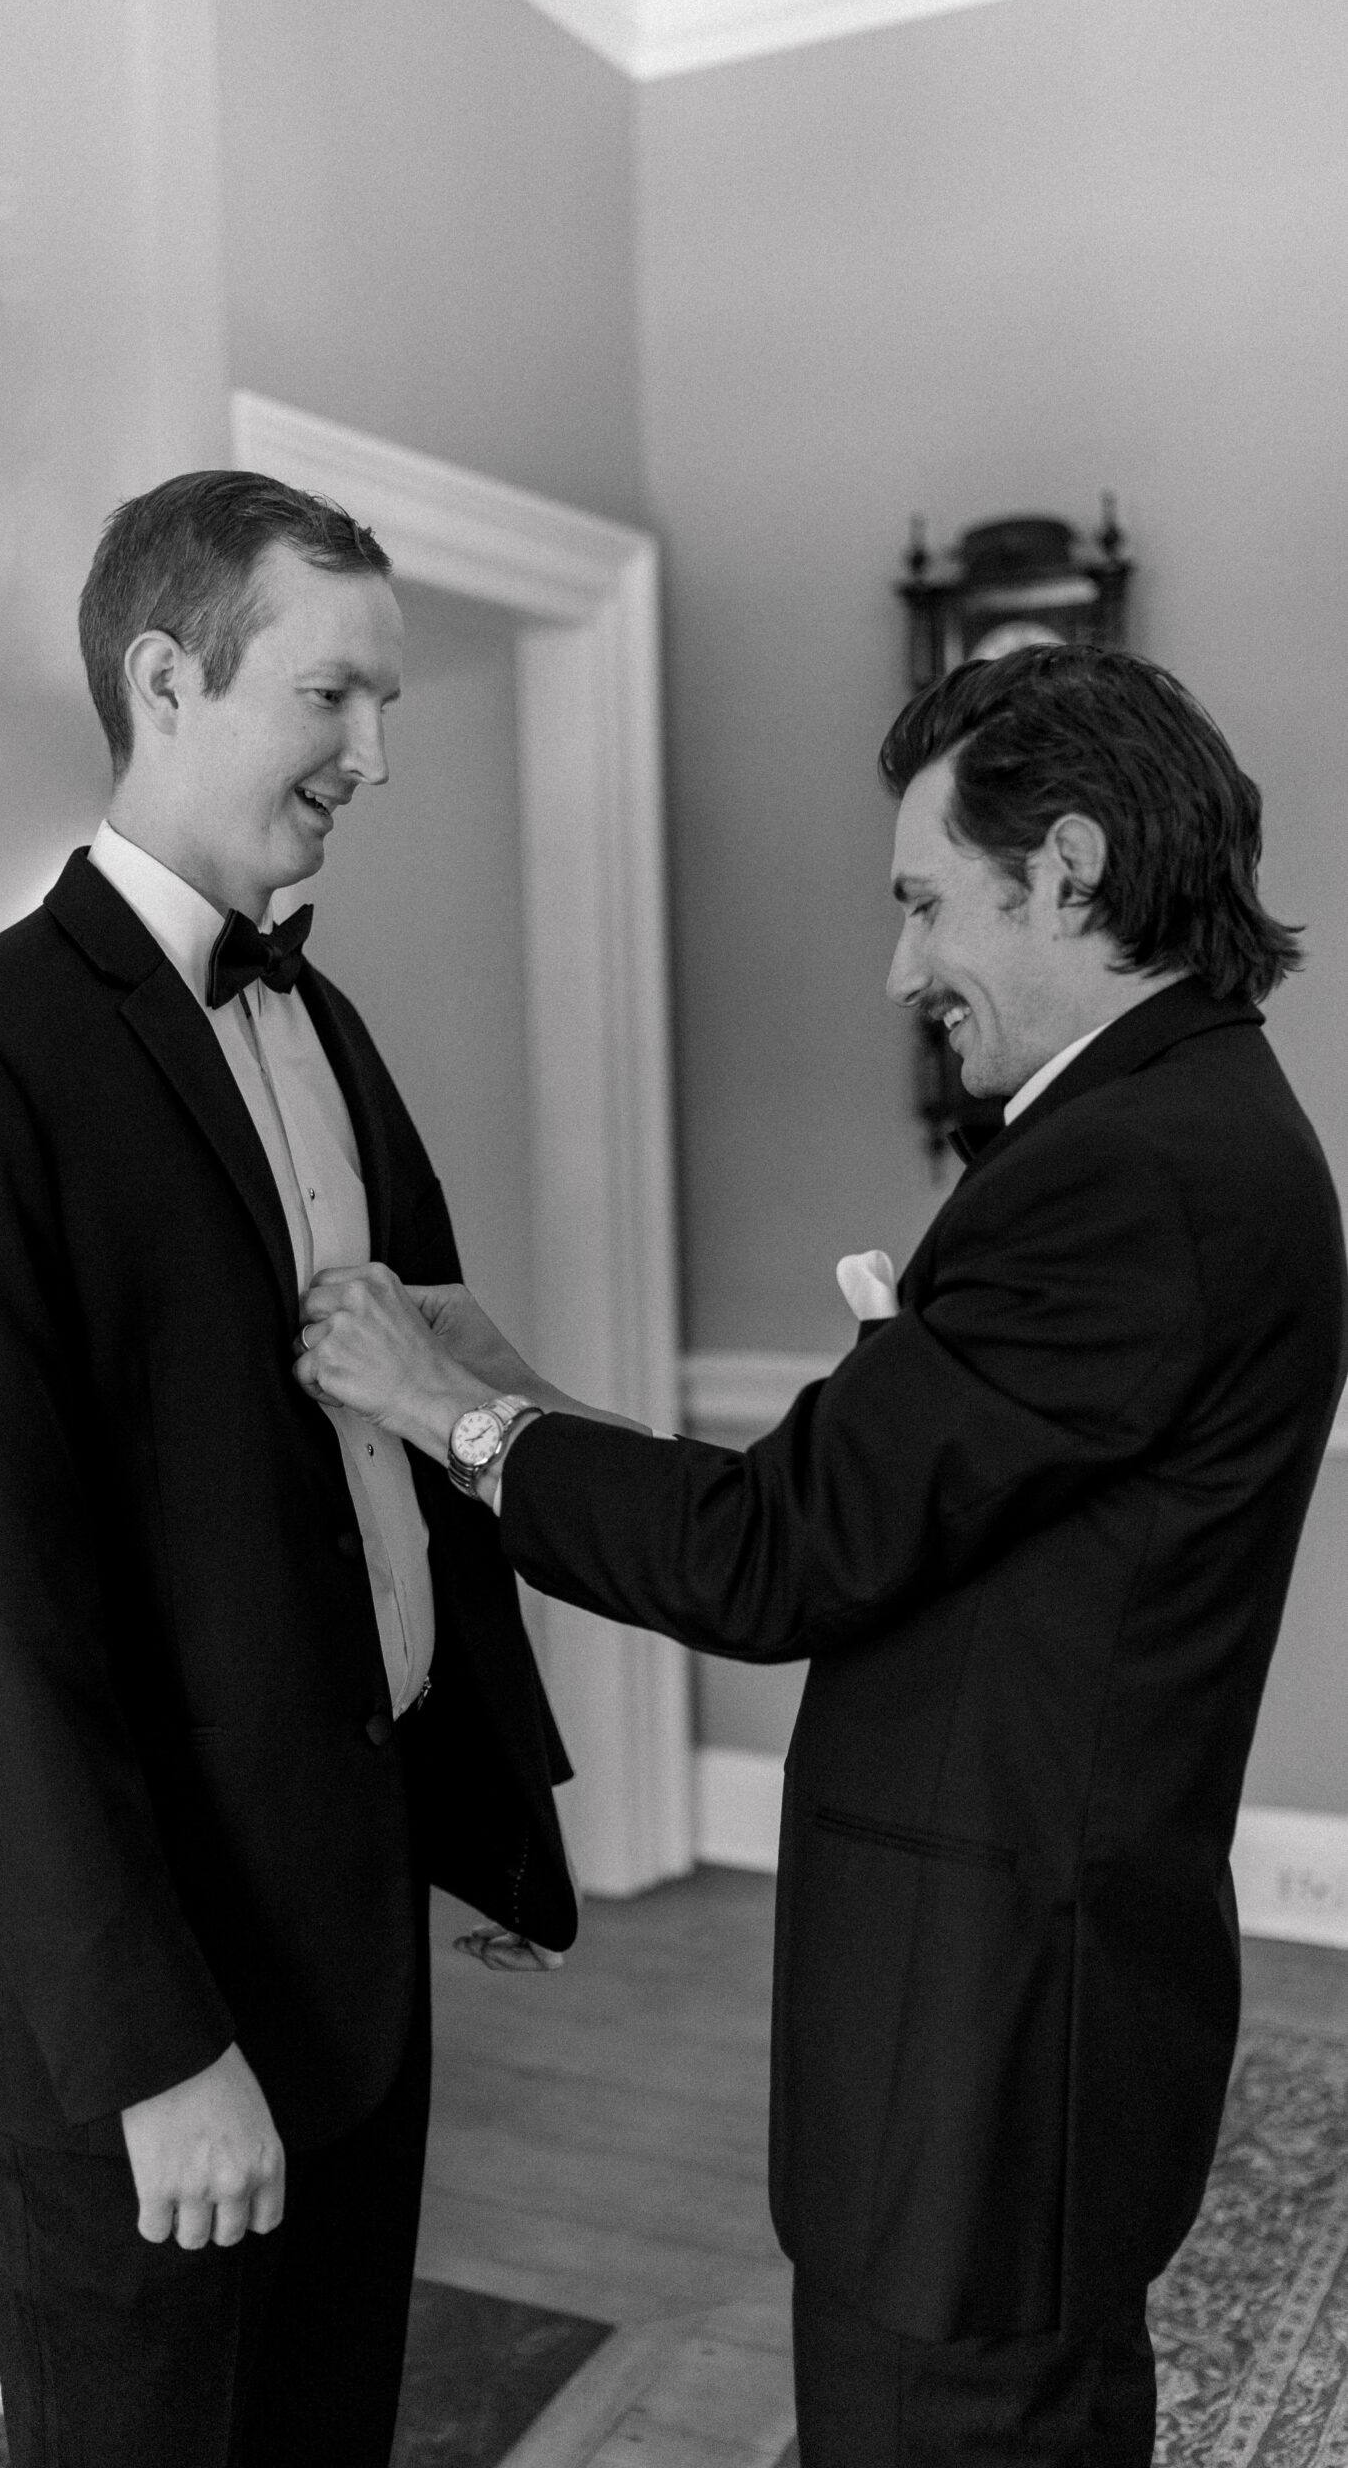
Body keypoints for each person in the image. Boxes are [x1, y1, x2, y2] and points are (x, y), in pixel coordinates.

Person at [295, 643, 1348, 2468]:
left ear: (1071, 870)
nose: (903, 965)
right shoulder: (1179, 1131)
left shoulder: (1128, 1177)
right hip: (1032, 2021)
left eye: (927, 901)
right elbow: (850, 1519)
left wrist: (442, 1418)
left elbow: (770, 1566)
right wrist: (512, 1393)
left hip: (988, 2049)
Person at [0, 470, 576, 2468]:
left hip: (356, 1947)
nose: (374, 757)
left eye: (382, 705)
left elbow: (418, 1411)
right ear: (167, 674)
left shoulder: (321, 1018)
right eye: (334, 695)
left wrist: (480, 1790)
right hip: (146, 2014)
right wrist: (159, 2052)